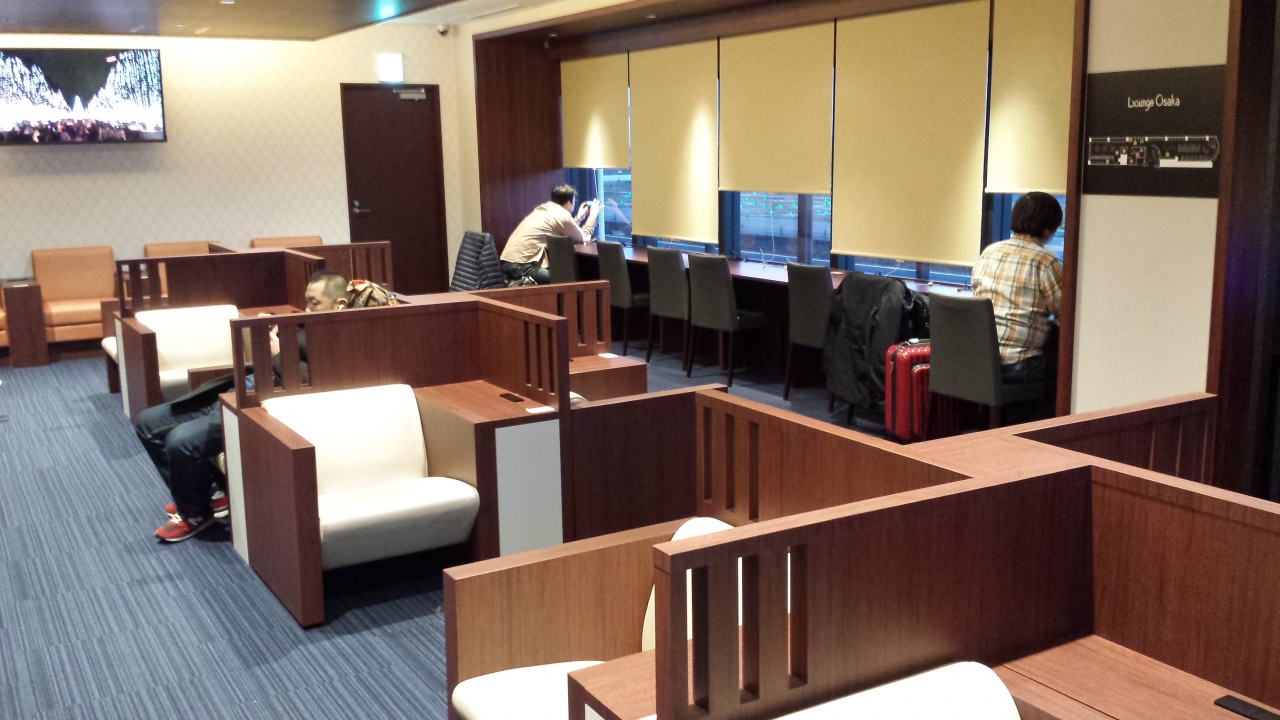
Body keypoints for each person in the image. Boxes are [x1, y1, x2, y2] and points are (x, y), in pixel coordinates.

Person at [138, 272, 378, 543]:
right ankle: (205, 494)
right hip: (239, 389)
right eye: (306, 302)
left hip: (261, 407)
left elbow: (316, 384)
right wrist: (268, 323)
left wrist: (277, 355)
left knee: (181, 441)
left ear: (340, 304)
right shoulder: (305, 322)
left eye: (314, 303)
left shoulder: (344, 341)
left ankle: (194, 514)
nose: (307, 309)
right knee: (148, 422)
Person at [970, 192, 1064, 416]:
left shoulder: (989, 252)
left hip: (981, 360)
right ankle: (1037, 431)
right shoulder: (1045, 261)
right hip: (1018, 366)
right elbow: (1066, 314)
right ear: (1047, 229)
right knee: (1066, 366)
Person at [500, 184, 601, 285]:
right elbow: (582, 237)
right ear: (568, 202)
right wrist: (593, 216)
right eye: (574, 201)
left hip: (507, 263)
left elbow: (563, 228)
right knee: (567, 280)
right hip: (523, 267)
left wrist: (579, 218)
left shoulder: (543, 209)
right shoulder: (563, 215)